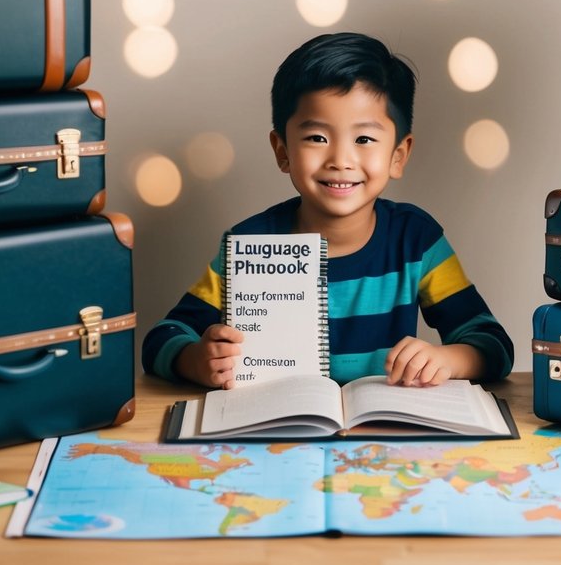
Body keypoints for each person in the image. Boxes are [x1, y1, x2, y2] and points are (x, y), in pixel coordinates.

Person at [141, 32, 514, 389]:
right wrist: (196, 360)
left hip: (381, 437)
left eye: (364, 139)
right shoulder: (249, 243)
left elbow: (493, 345)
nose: (340, 160)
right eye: (317, 138)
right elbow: (162, 338)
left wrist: (447, 360)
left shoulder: (416, 239)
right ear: (282, 151)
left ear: (398, 155)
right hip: (277, 431)